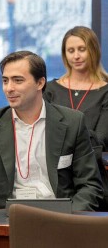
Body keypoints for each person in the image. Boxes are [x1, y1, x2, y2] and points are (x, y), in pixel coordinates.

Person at [0, 51, 103, 216]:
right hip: (5, 217)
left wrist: (69, 218)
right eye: (5, 81)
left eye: (18, 80)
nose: (9, 88)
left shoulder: (72, 122)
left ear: (40, 83)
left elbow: (90, 186)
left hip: (59, 218)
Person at [43, 26, 108, 209]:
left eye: (82, 49)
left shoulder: (106, 91)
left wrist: (64, 133)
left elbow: (101, 139)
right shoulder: (50, 89)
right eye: (70, 51)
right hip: (51, 173)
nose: (76, 56)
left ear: (93, 50)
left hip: (92, 174)